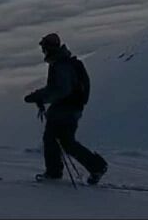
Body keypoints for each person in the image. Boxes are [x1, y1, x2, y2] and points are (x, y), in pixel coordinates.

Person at [22, 32, 108, 184]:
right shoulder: (65, 63)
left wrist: (39, 96)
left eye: (44, 48)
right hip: (72, 107)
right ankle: (95, 166)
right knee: (65, 141)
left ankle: (55, 173)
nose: (43, 52)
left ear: (50, 48)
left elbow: (61, 89)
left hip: (65, 109)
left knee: (52, 139)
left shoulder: (61, 65)